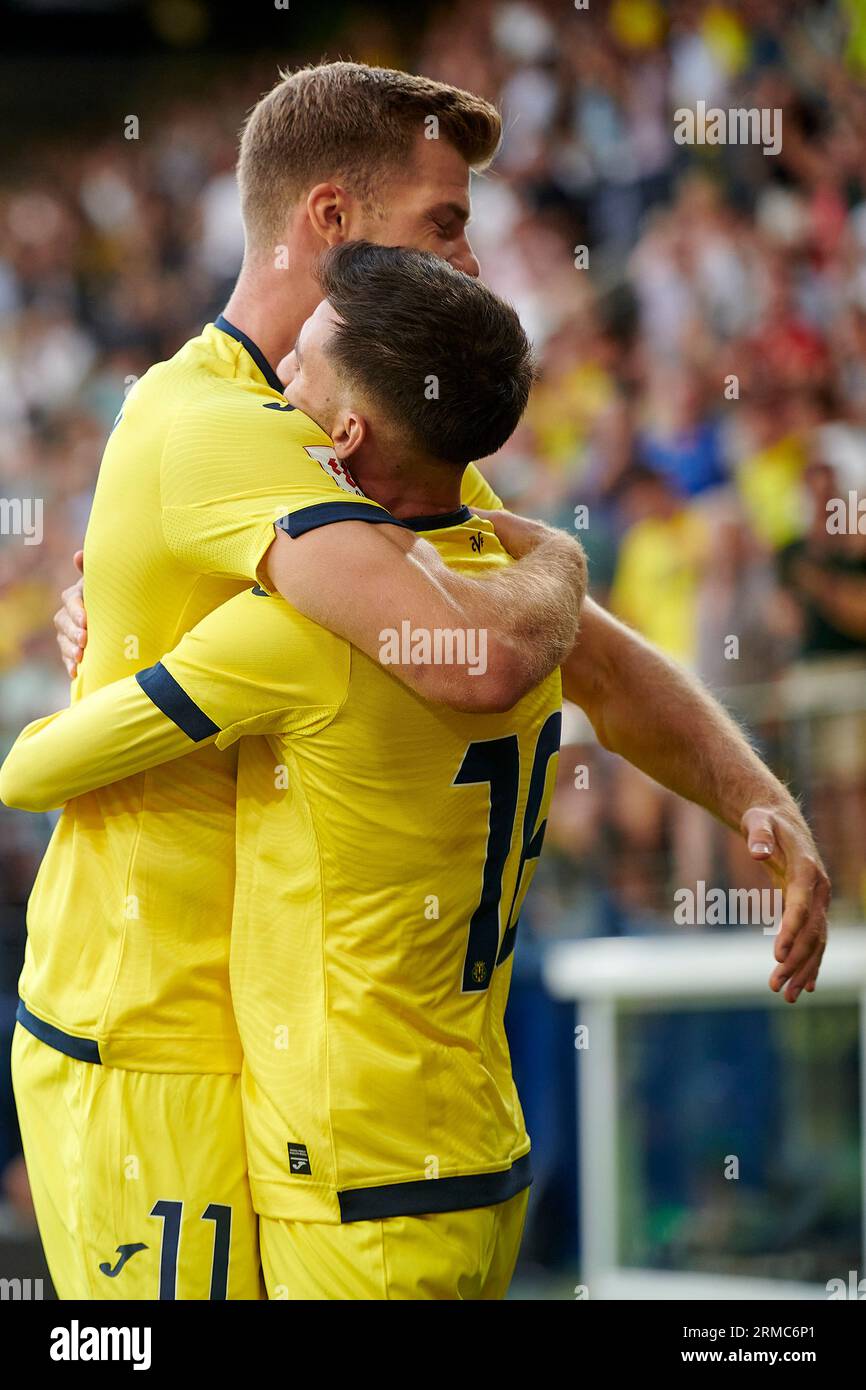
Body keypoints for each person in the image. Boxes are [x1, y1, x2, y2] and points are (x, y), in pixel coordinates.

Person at [39, 61, 830, 1296]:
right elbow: (484, 650)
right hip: (146, 1035)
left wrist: (752, 798)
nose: (467, 261)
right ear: (332, 222)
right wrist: (558, 554)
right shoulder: (210, 424)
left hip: (288, 1068)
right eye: (444, 221)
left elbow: (596, 663)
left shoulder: (374, 435)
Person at [4, 242, 582, 1300]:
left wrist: (115, 641)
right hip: (480, 1145)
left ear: (344, 434)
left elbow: (31, 772)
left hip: (353, 1177)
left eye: (301, 370)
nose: (277, 384)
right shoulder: (518, 589)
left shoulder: (293, 638)